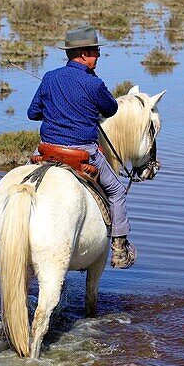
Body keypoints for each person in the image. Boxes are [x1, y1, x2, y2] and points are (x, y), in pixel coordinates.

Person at [27, 26, 136, 269]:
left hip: (46, 151)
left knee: (21, 182)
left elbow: (32, 113)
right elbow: (111, 110)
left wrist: (54, 106)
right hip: (83, 153)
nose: (98, 56)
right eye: (96, 51)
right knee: (117, 191)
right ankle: (119, 248)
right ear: (83, 54)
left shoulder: (49, 77)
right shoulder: (93, 84)